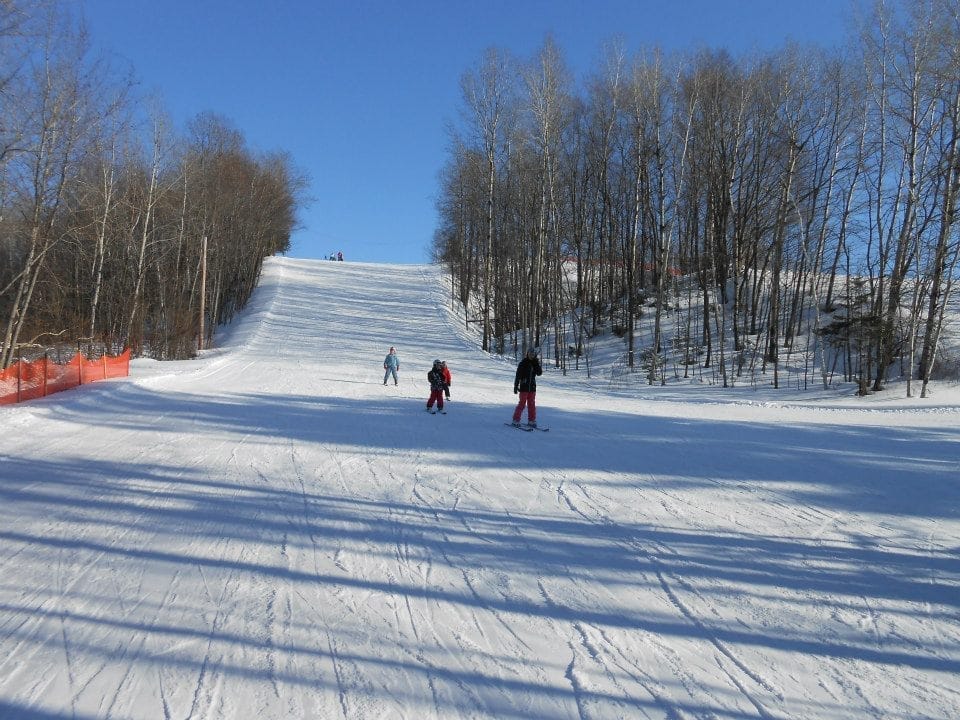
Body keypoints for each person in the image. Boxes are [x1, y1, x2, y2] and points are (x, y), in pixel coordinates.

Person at [512, 347, 542, 427]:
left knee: (532, 404)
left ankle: (531, 420)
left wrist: (536, 364)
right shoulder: (523, 363)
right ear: (527, 354)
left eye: (533, 354)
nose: (531, 355)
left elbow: (539, 373)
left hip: (532, 388)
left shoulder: (535, 363)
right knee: (522, 404)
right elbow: (518, 375)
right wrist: (516, 386)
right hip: (524, 387)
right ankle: (516, 420)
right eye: (530, 354)